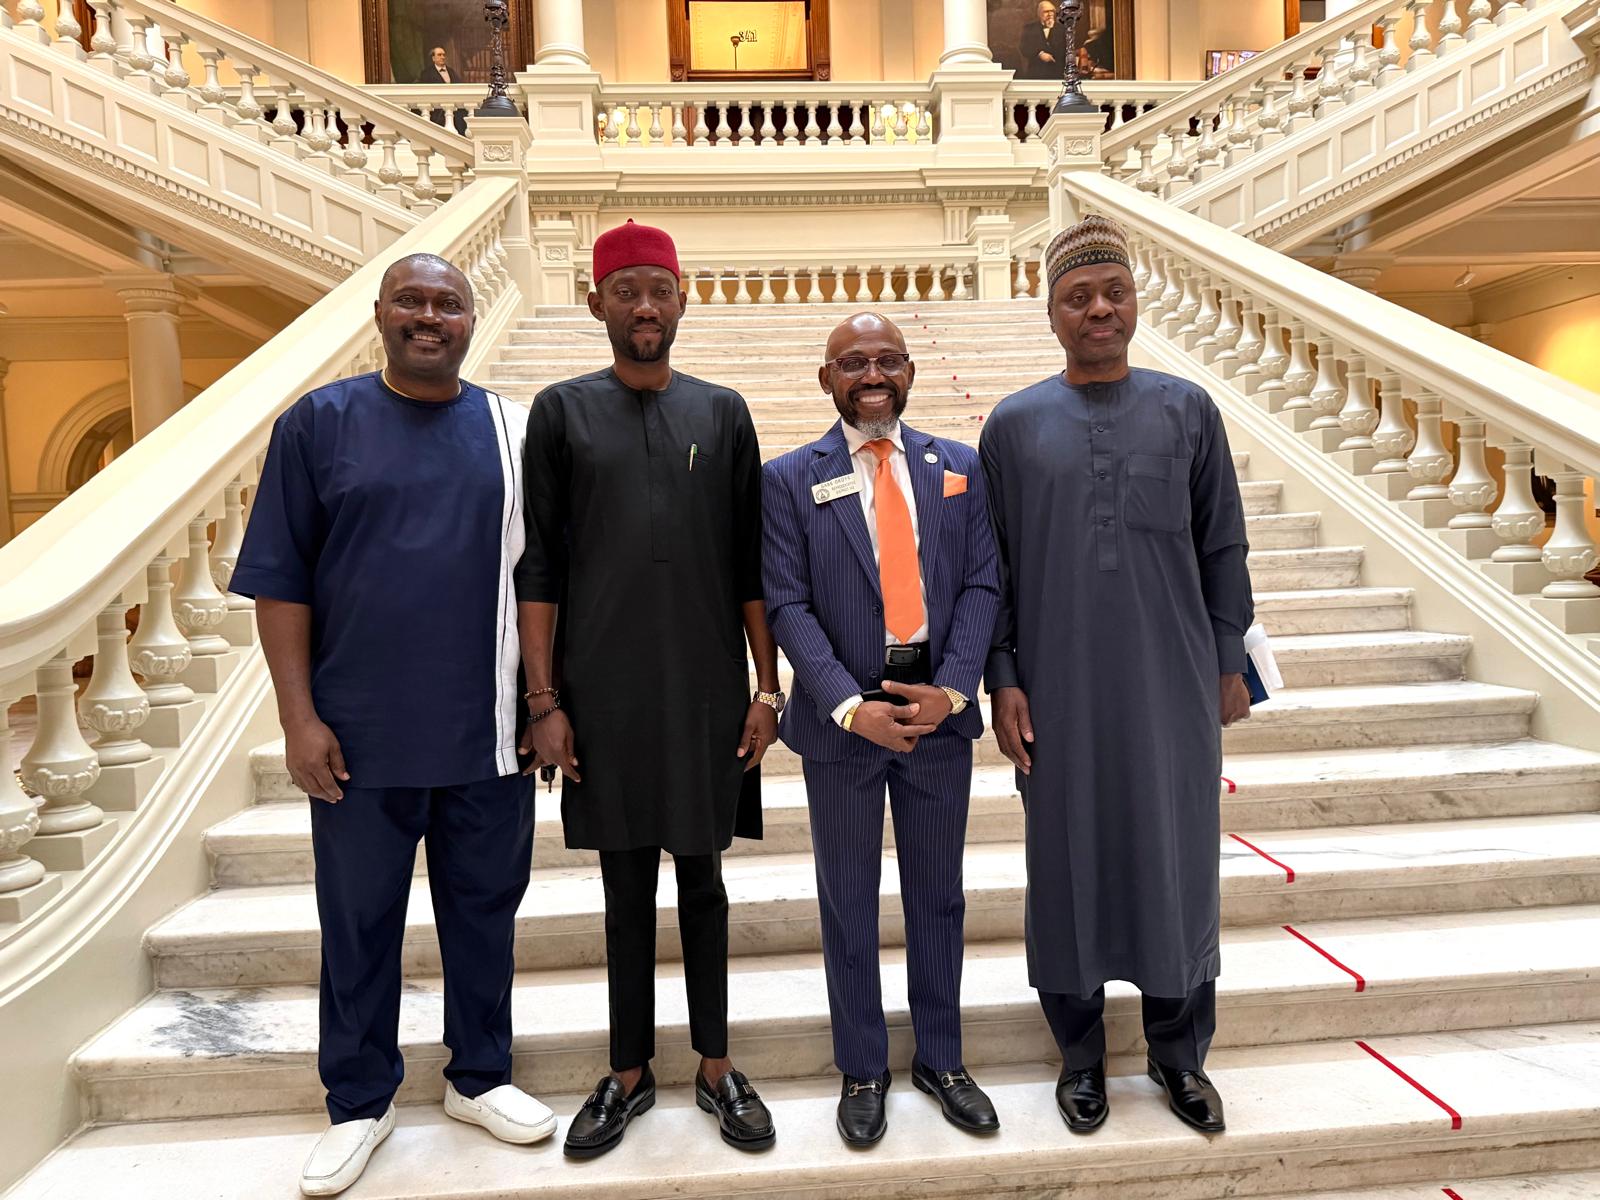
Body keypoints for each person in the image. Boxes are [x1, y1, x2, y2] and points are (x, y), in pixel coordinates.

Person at [230, 252, 556, 1198]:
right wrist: (297, 717)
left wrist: (544, 702)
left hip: (488, 730)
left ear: (469, 319)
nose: (429, 317)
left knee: (485, 913)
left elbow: (543, 583)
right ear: (380, 314)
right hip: (358, 737)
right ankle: (359, 1101)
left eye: (446, 304)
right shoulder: (319, 425)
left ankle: (480, 1076)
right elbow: (281, 583)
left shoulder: (511, 429)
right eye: (411, 302)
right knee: (359, 922)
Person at [978, 215, 1253, 1137]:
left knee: (1176, 859)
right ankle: (1081, 1057)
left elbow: (1224, 545)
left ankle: (1181, 1058)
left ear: (1135, 300)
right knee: (1065, 864)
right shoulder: (1013, 427)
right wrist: (1004, 678)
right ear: (1051, 312)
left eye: (1113, 292)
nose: (1098, 309)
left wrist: (1226, 660)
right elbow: (996, 569)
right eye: (1077, 296)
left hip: (1171, 684)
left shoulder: (1188, 410)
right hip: (1055, 690)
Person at [517, 219, 780, 1159]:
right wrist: (544, 704)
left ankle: (716, 1065)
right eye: (624, 289)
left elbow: (753, 563)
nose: (643, 306)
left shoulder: (723, 412)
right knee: (624, 889)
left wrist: (767, 686)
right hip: (602, 694)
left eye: (657, 289)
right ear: (595, 303)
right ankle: (628, 1072)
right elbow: (538, 565)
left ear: (682, 300)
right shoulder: (559, 412)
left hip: (709, 692)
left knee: (704, 882)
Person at [762, 313, 1002, 1147]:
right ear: (824, 378)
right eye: (853, 362)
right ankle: (862, 1065)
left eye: (888, 360)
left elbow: (981, 586)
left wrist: (952, 691)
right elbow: (785, 601)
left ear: (908, 372)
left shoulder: (960, 467)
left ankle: (942, 1057)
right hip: (841, 729)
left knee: (939, 896)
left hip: (935, 721)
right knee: (848, 900)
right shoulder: (789, 478)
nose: (873, 373)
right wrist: (845, 705)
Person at [416, 46, 467, 134]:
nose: (442, 57)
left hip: (453, 110)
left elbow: (459, 86)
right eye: (439, 55)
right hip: (437, 112)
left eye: (443, 55)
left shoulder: (451, 71)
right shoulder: (426, 73)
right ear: (433, 58)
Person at [1019, 1, 1062, 80]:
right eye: (1046, 12)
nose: (1050, 14)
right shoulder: (1029, 28)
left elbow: (1065, 49)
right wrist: (1040, 54)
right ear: (1039, 14)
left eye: (1052, 11)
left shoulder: (1062, 29)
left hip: (1057, 74)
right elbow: (1024, 48)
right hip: (1035, 74)